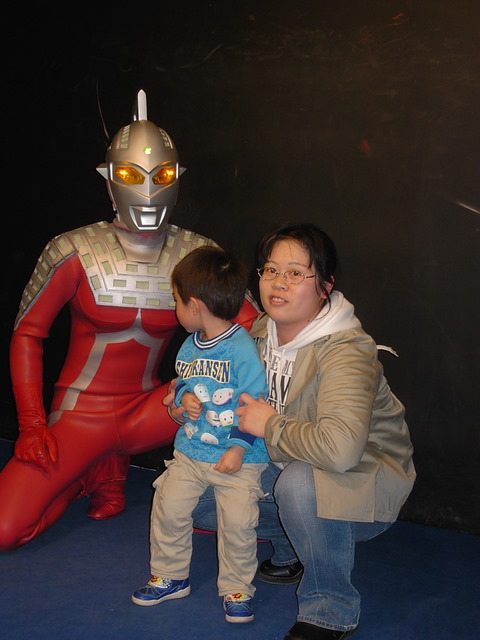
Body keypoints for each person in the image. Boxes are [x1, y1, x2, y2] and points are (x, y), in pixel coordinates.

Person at [0, 91, 257, 552]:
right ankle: (92, 472)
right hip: (80, 415)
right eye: (131, 176)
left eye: (161, 176)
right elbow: (28, 334)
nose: (148, 188)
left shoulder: (196, 252)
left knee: (233, 398)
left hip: (157, 410)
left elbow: (253, 327)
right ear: (109, 178)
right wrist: (32, 424)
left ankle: (123, 472)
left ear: (176, 177)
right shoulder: (74, 249)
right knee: (6, 528)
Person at [191, 223, 416, 640]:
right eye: (270, 270)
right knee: (196, 495)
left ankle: (330, 608)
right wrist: (187, 401)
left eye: (296, 273)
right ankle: (296, 545)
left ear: (325, 286)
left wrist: (268, 424)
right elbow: (230, 401)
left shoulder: (348, 350)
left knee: (298, 484)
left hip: (363, 480)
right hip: (285, 460)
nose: (279, 283)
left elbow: (341, 451)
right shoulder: (260, 332)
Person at [131, 245, 269, 624]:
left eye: (176, 300)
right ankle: (171, 575)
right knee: (169, 508)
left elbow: (254, 401)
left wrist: (238, 448)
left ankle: (237, 587)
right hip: (191, 453)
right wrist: (184, 399)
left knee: (238, 523)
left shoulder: (241, 349)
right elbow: (182, 386)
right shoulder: (190, 345)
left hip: (238, 459)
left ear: (194, 305)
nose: (175, 307)